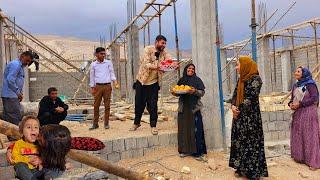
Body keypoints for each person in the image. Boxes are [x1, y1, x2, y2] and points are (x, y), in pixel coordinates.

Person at [229, 56, 268, 179]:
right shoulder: (241, 79)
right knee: (240, 142)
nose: (236, 67)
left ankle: (252, 172)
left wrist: (238, 109)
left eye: (238, 64)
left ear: (245, 65)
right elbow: (235, 95)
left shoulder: (256, 79)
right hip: (239, 117)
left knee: (251, 143)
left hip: (250, 119)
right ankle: (241, 169)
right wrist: (233, 106)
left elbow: (250, 98)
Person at [129, 35, 171, 135]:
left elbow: (169, 60)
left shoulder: (164, 52)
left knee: (153, 105)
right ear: (156, 42)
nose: (163, 45)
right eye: (162, 43)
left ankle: (153, 126)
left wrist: (173, 65)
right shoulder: (148, 49)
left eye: (165, 43)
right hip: (142, 82)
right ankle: (136, 123)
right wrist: (158, 67)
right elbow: (146, 64)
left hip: (153, 84)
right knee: (139, 104)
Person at [171, 64, 207, 162]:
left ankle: (197, 152)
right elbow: (178, 91)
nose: (191, 70)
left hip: (194, 108)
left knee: (195, 129)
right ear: (186, 69)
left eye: (192, 69)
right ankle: (184, 150)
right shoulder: (182, 80)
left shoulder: (197, 80)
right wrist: (174, 92)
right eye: (189, 68)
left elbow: (202, 93)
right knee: (184, 129)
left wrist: (194, 91)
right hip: (183, 108)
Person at [288, 66, 320, 170]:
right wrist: (290, 104)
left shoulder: (310, 84)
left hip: (309, 113)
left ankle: (314, 162)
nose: (295, 73)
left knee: (310, 136)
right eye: (295, 71)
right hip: (298, 114)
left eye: (298, 71)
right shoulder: (296, 85)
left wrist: (300, 104)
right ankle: (301, 157)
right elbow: (292, 99)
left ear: (304, 73)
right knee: (300, 135)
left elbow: (314, 98)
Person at [89, 47, 119, 130]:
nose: (103, 55)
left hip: (107, 86)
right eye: (101, 54)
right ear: (96, 54)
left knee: (107, 105)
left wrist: (115, 81)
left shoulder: (108, 63)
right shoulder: (93, 64)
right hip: (98, 86)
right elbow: (91, 76)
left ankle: (106, 123)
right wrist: (92, 87)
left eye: (104, 54)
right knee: (96, 105)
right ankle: (95, 124)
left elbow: (112, 73)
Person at [1, 51, 33, 127]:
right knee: (14, 117)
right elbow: (10, 79)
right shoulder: (16, 65)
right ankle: (14, 136)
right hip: (10, 95)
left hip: (12, 95)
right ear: (22, 56)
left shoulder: (19, 66)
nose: (27, 63)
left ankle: (11, 136)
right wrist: (18, 92)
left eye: (29, 61)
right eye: (27, 60)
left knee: (10, 117)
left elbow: (17, 81)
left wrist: (19, 93)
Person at [12, 115, 41, 180]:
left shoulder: (40, 144)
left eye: (36, 127)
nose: (33, 129)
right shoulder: (19, 144)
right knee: (19, 165)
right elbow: (14, 157)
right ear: (22, 132)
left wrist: (40, 160)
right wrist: (28, 160)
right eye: (29, 127)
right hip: (24, 171)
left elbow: (47, 155)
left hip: (37, 171)